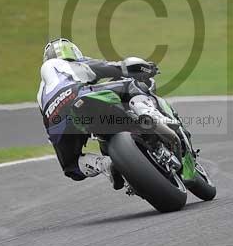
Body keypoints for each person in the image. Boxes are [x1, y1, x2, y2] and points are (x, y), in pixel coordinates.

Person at [37, 38, 157, 188]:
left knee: (71, 167)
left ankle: (104, 164)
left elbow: (47, 122)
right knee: (129, 85)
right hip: (76, 96)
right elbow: (108, 68)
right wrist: (141, 69)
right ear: (73, 52)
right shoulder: (67, 64)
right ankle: (149, 114)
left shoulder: (41, 90)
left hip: (55, 121)